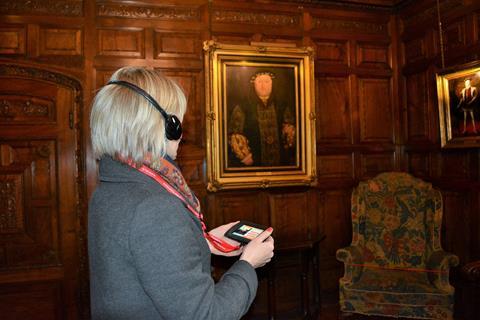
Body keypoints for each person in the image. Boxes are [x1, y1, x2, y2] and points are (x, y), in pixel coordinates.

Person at [88, 66, 275, 320]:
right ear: (167, 126)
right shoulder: (154, 206)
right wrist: (248, 265)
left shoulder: (112, 187)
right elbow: (208, 314)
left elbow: (145, 259)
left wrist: (203, 242)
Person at [228, 71, 296, 167]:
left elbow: (290, 131)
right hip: (254, 161)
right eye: (259, 82)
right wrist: (245, 156)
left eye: (267, 82)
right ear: (254, 84)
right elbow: (235, 134)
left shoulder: (281, 105)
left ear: (271, 84)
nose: (263, 86)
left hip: (281, 162)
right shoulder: (243, 106)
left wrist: (289, 151)